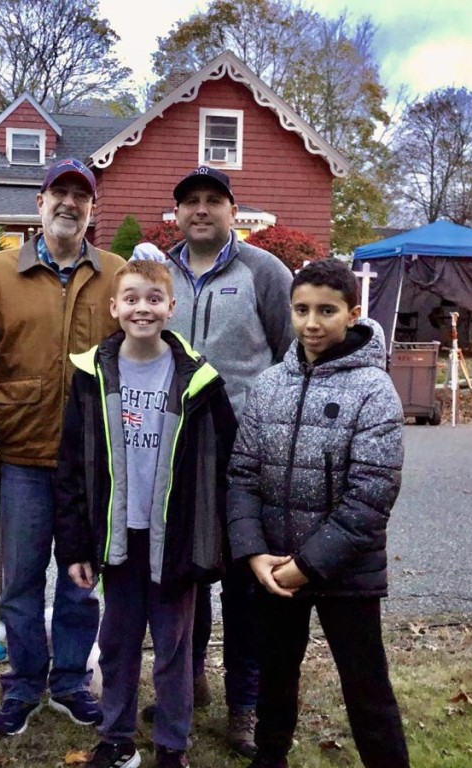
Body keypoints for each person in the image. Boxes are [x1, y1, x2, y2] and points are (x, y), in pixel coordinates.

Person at [0, 157, 126, 736]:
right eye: (59, 192)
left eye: (81, 196)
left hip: (92, 462)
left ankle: (71, 681)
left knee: (82, 580)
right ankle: (25, 683)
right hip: (22, 455)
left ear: (92, 209)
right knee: (22, 580)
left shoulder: (115, 275)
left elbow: (137, 359)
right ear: (39, 202)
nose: (69, 204)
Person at [134, 166, 294, 756]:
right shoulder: (159, 273)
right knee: (185, 573)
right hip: (176, 449)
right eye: (190, 202)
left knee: (245, 584)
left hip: (246, 452)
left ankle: (245, 704)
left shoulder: (264, 272)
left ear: (232, 211)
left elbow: (289, 354)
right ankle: (189, 680)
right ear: (177, 213)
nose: (201, 210)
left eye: (213, 201)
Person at [226, 259, 409, 768]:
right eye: (302, 309)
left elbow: (370, 495)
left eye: (326, 311)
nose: (311, 322)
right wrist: (255, 553)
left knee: (366, 684)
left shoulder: (373, 391)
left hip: (345, 572)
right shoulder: (268, 386)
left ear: (352, 314)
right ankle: (270, 756)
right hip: (275, 570)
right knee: (275, 675)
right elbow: (241, 475)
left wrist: (307, 564)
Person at [54, 260, 237, 768]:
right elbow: (71, 466)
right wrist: (74, 547)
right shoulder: (90, 377)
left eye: (154, 299)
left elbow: (224, 463)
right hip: (117, 539)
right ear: (114, 308)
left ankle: (172, 746)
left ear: (171, 308)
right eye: (131, 298)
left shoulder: (200, 381)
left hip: (173, 540)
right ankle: (116, 737)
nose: (142, 308)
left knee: (174, 650)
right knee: (116, 642)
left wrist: (213, 539)